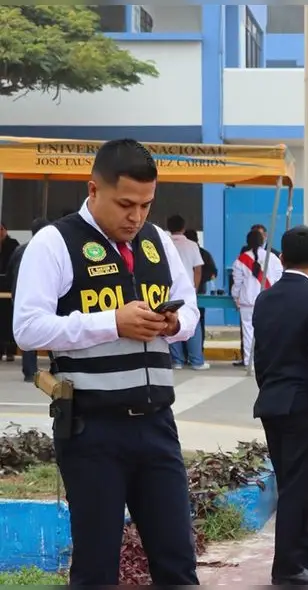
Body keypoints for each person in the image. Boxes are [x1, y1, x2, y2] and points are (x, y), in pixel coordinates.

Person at [12, 138, 200, 585]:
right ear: (93, 189)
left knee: (178, 563)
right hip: (92, 428)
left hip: (157, 424)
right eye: (125, 204)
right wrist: (111, 323)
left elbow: (190, 310)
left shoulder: (157, 242)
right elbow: (28, 329)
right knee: (96, 568)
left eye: (146, 204)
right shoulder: (54, 243)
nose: (136, 217)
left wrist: (174, 325)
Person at [251, 225, 308, 585]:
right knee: (298, 487)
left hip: (272, 402)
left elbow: (261, 357)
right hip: (304, 405)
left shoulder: (264, 298)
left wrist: (269, 389)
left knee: (290, 483)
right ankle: (287, 567)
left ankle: (303, 559)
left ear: (281, 258)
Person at [9, 217, 53, 381]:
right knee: (50, 330)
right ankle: (57, 365)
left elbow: (8, 272)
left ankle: (29, 371)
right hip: (46, 295)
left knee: (28, 330)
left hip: (20, 296)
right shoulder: (49, 250)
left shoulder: (21, 250)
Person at [231, 229, 282, 367]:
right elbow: (279, 278)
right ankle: (267, 361)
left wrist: (236, 297)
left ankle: (249, 362)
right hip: (268, 300)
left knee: (248, 333)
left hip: (247, 302)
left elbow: (237, 283)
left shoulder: (240, 260)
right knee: (267, 332)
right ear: (262, 241)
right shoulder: (273, 258)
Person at [165, 215, 208, 370]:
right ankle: (196, 360)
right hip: (186, 289)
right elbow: (197, 269)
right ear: (183, 228)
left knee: (170, 321)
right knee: (193, 323)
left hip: (166, 289)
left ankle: (177, 361)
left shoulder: (163, 242)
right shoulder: (191, 245)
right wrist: (194, 288)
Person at [184, 229, 216, 362]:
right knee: (197, 322)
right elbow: (213, 272)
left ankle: (185, 355)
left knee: (190, 322)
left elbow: (211, 271)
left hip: (195, 291)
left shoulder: (202, 253)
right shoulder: (203, 253)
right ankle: (196, 353)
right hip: (198, 291)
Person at [0, 222, 20, 361]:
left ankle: (11, 351)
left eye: (1, 229)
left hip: (9, 287)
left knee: (9, 320)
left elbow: (13, 265)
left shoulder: (13, 244)